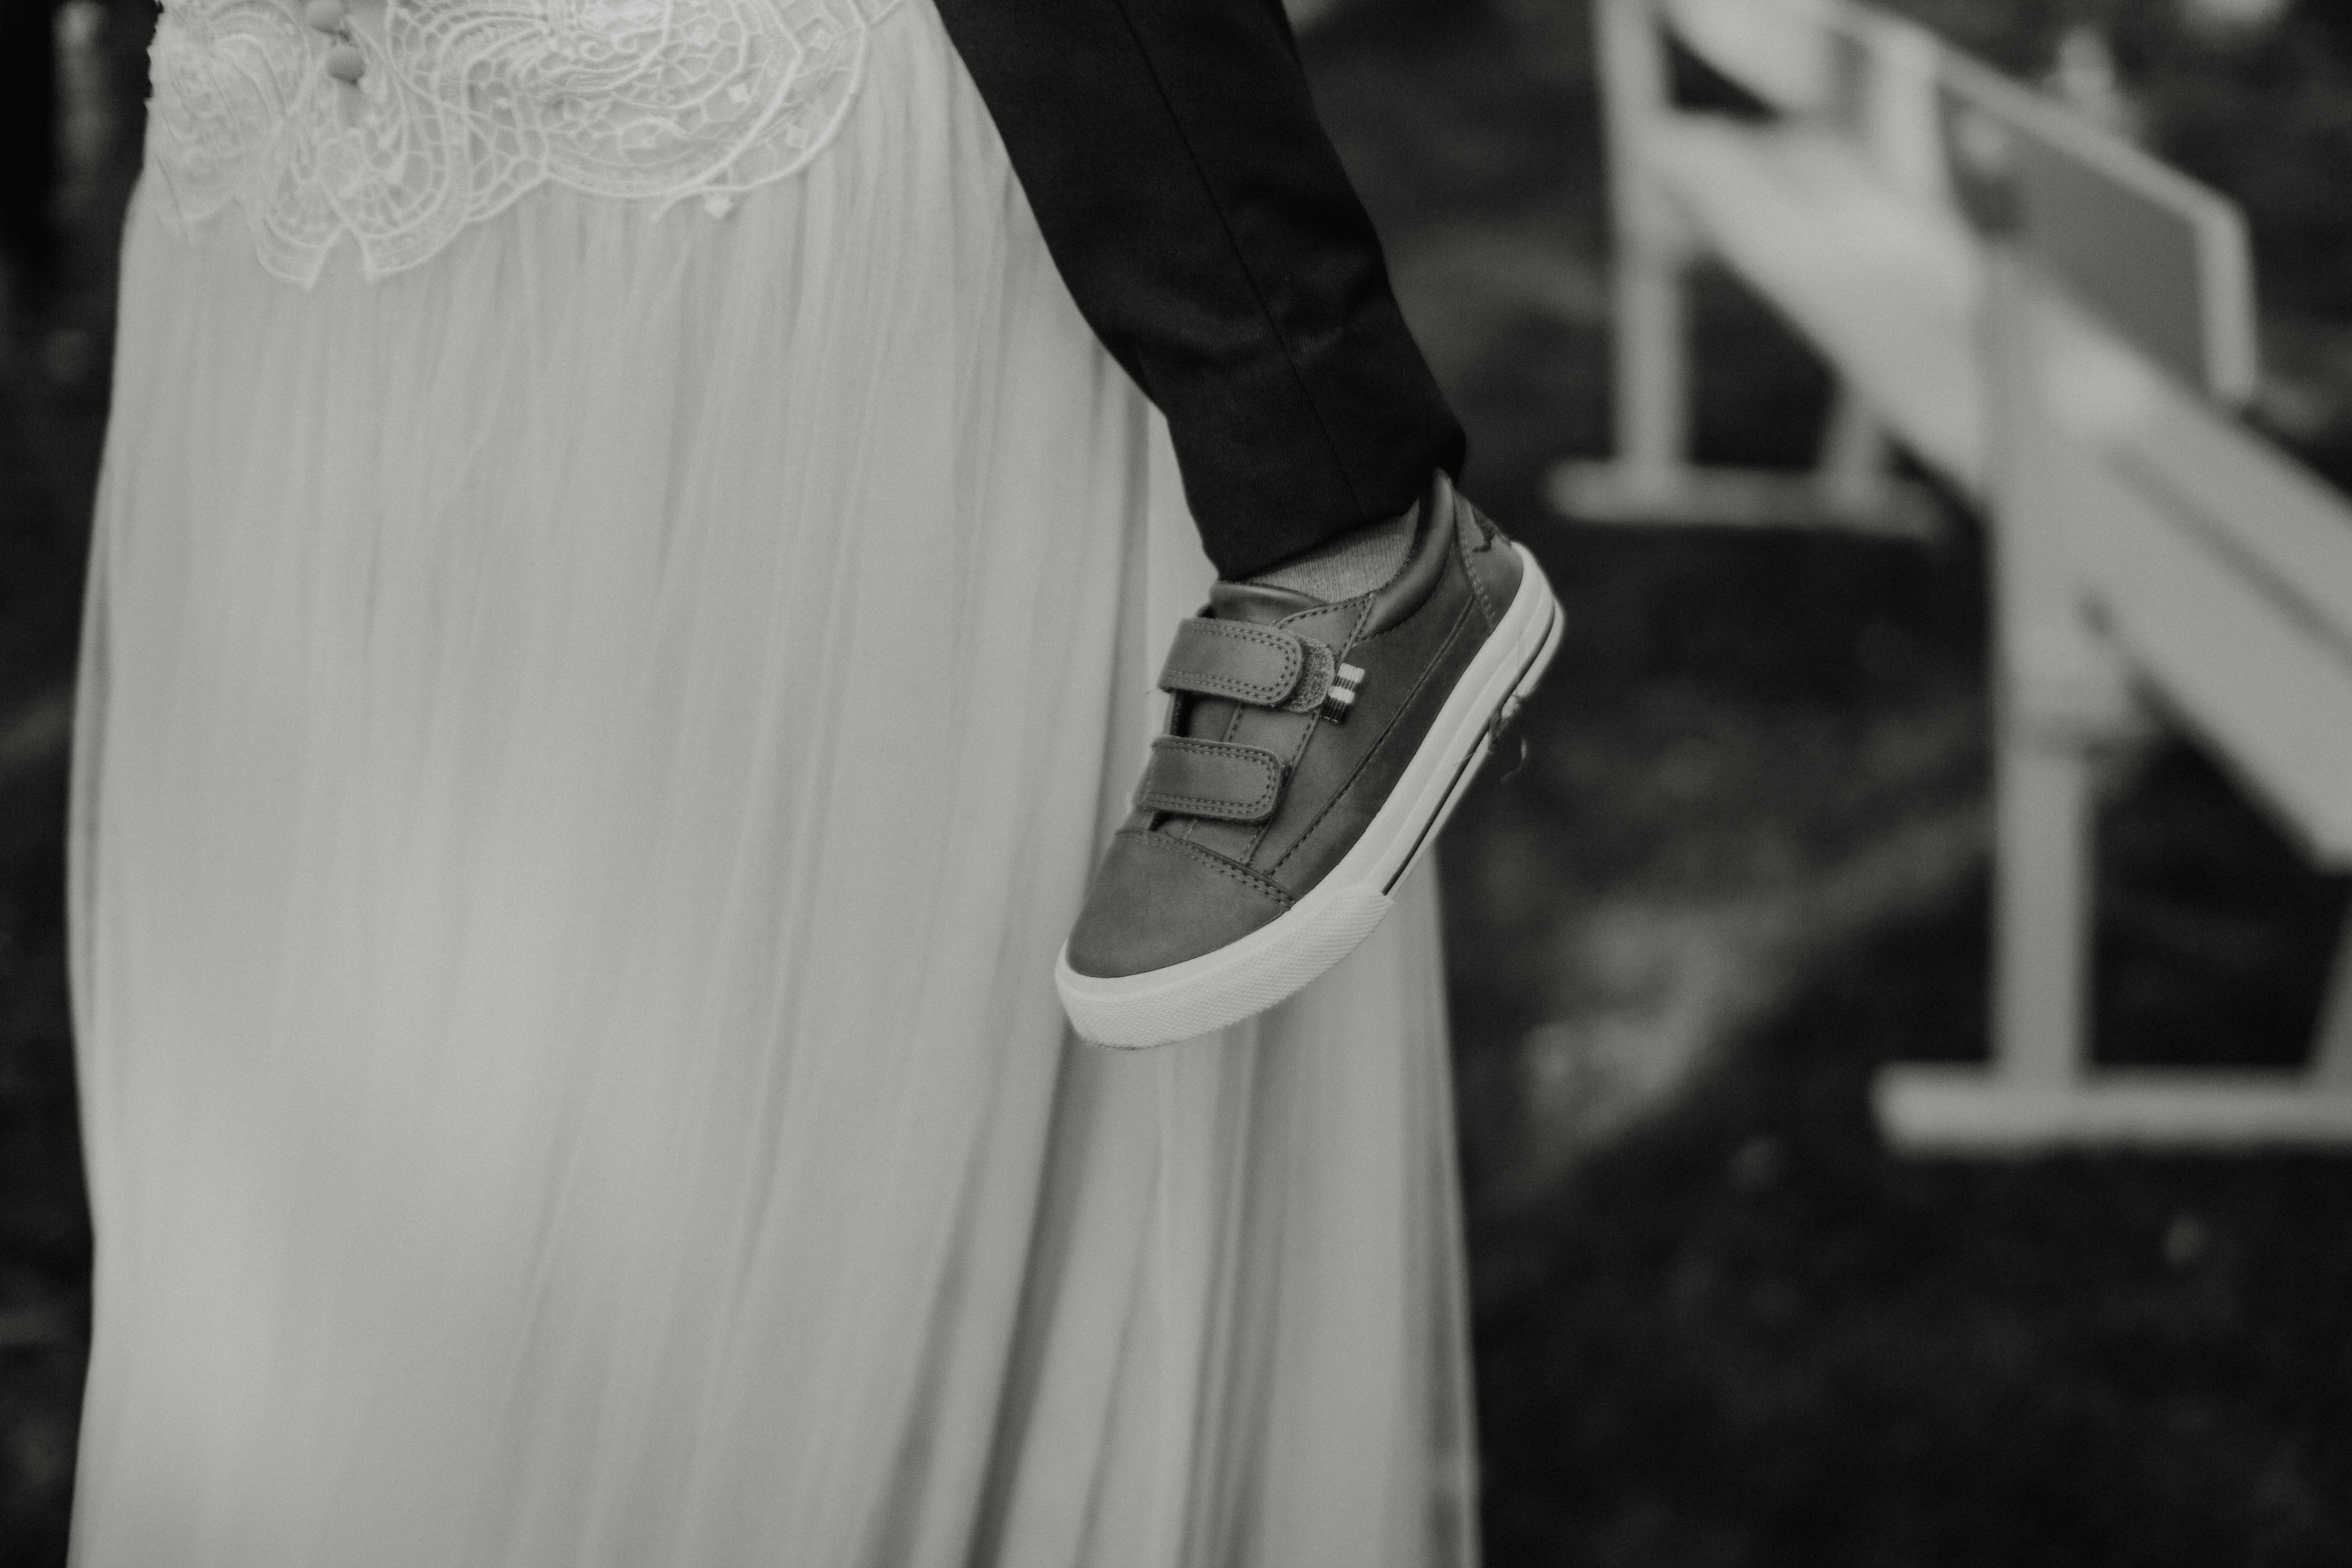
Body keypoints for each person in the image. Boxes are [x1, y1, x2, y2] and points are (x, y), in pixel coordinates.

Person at [67, 1, 1545, 1563]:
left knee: (755, 1149)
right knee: (387, 1136)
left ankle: (1343, 515)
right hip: (284, 187)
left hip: (734, 183)